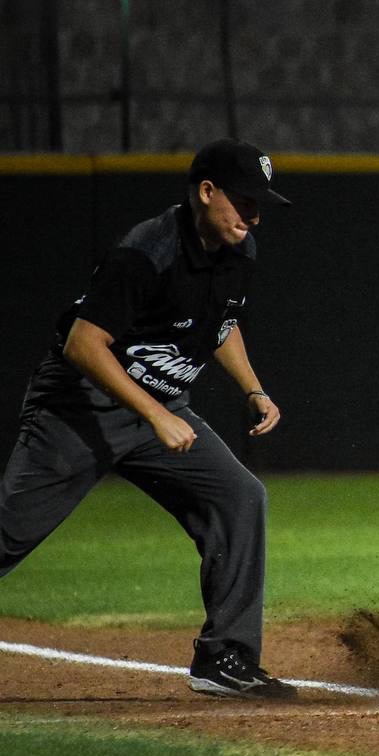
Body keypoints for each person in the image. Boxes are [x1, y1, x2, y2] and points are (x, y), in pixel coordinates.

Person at [0, 138, 296, 700]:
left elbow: (219, 324)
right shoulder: (147, 250)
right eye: (243, 200)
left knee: (239, 497)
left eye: (261, 203)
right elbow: (84, 345)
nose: (254, 214)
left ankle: (224, 659)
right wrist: (156, 414)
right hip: (80, 407)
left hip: (158, 408)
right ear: (206, 192)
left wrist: (252, 388)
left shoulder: (241, 252)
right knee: (8, 533)